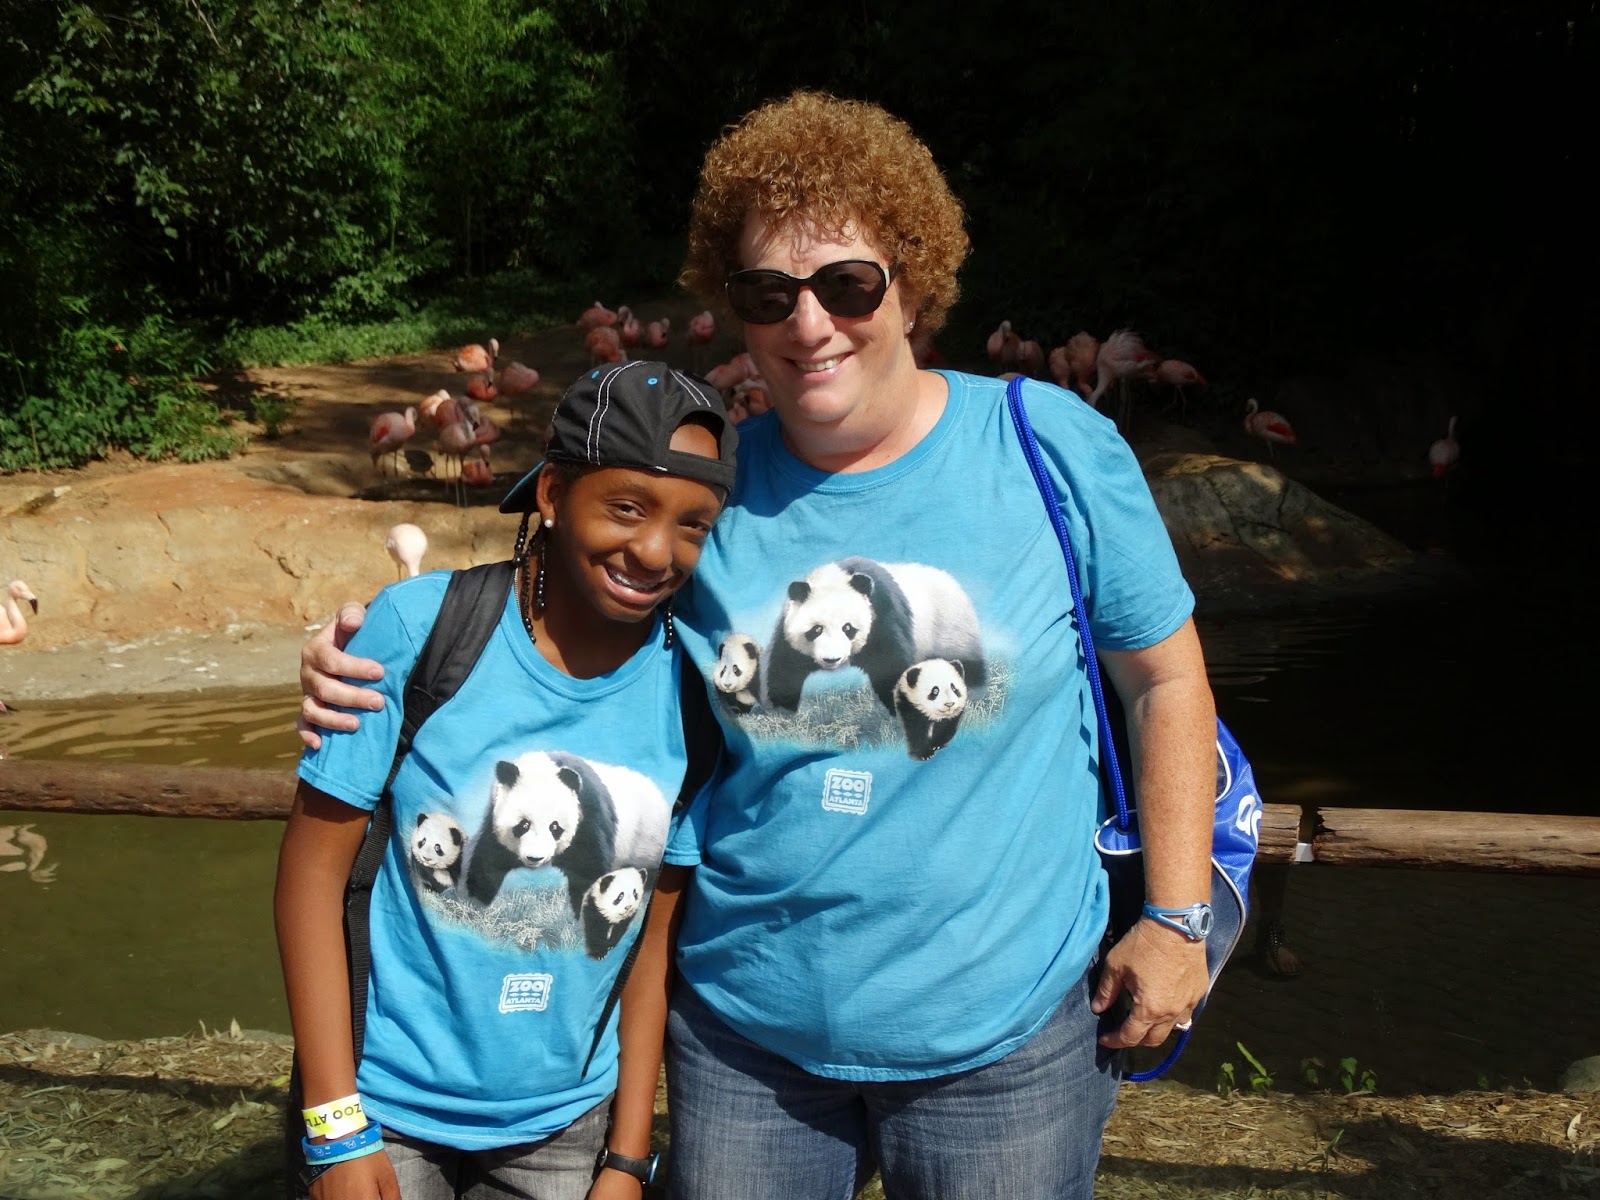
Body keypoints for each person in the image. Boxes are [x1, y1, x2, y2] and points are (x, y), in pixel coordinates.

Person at [298, 91, 1218, 1200]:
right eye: (768, 293)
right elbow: (559, 621)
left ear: (913, 282)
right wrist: (372, 644)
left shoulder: (1048, 445)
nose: (808, 323)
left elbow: (1163, 682)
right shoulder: (712, 492)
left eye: (848, 284)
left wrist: (1176, 918)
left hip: (1003, 1042)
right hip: (747, 1045)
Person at [276, 362, 736, 1200]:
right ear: (553, 492)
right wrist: (335, 1127)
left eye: (693, 525)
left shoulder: (690, 695)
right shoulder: (422, 629)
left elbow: (646, 941)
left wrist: (628, 1157)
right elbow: (311, 877)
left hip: (565, 1126)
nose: (655, 550)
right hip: (384, 1107)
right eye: (626, 507)